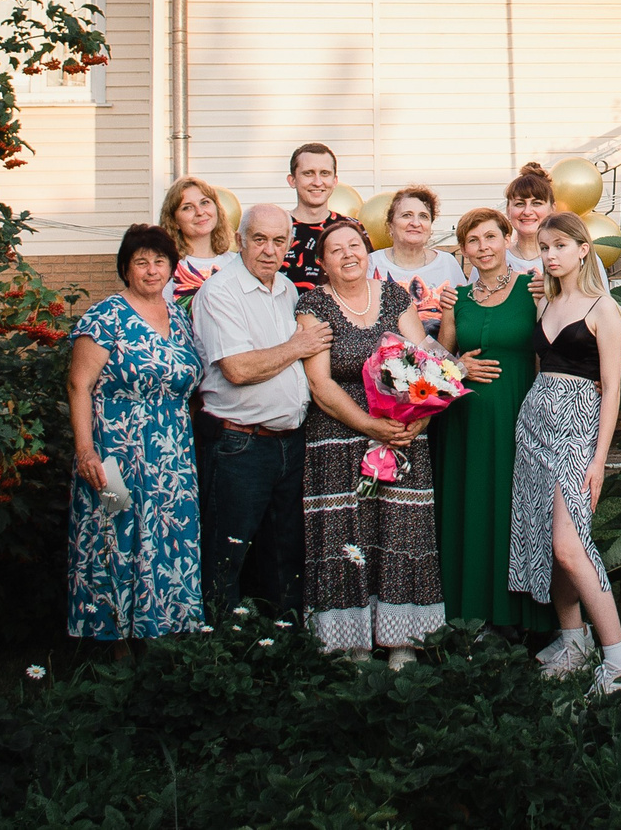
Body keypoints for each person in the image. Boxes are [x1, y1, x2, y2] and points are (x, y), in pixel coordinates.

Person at [295, 217, 445, 667]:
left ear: (367, 250)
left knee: (402, 530)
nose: (348, 254)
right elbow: (320, 384)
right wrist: (368, 425)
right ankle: (350, 645)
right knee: (346, 535)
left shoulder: (395, 296)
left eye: (355, 246)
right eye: (336, 250)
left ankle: (403, 642)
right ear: (323, 262)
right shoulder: (313, 305)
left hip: (400, 433)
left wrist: (418, 417)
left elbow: (423, 362)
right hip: (338, 436)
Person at [66, 224, 205, 648]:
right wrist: (85, 450)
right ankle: (113, 649)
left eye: (159, 261)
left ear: (172, 268)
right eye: (140, 262)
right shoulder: (106, 316)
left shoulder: (180, 318)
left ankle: (163, 640)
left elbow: (191, 385)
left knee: (169, 540)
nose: (151, 270)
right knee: (116, 537)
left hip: (172, 459)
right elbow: (78, 385)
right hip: (115, 456)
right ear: (125, 269)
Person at [510, 213, 621, 693]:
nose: (550, 255)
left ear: (584, 249)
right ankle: (572, 641)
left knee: (569, 543)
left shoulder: (604, 309)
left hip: (578, 425)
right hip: (536, 421)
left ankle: (620, 662)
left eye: (560, 245)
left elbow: (612, 389)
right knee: (547, 539)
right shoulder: (548, 301)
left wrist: (600, 459)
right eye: (543, 247)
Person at [191, 204, 329, 617]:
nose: (269, 250)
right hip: (239, 444)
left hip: (288, 443)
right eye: (259, 239)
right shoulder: (219, 293)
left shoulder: (286, 289)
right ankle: (216, 658)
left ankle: (279, 647)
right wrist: (298, 346)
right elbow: (237, 369)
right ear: (239, 241)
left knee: (282, 551)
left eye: (278, 240)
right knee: (226, 552)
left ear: (289, 244)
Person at [436, 208, 555, 634]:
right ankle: (469, 614)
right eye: (473, 241)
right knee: (472, 506)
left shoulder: (535, 288)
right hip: (464, 423)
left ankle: (521, 617)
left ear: (507, 238)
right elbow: (439, 363)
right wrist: (457, 367)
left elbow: (552, 351)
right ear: (463, 249)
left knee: (516, 507)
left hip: (519, 414)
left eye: (490, 237)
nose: (482, 248)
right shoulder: (455, 300)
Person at [371, 185, 463, 337]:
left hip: (441, 357)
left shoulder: (448, 263)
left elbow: (462, 316)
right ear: (390, 226)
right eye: (407, 215)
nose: (415, 222)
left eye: (423, 216)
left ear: (430, 227)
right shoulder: (372, 263)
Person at [161, 176, 239, 300]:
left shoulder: (237, 263)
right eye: (187, 207)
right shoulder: (167, 269)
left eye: (204, 202)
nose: (200, 212)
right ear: (174, 221)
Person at [282, 143, 347, 290]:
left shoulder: (351, 228)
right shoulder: (276, 227)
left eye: (324, 173)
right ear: (292, 180)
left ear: (334, 180)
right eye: (308, 173)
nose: (317, 182)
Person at [503, 163, 557, 268]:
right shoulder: (494, 259)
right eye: (520, 204)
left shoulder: (574, 256)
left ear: (552, 209)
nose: (527, 212)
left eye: (536, 203)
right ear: (508, 210)